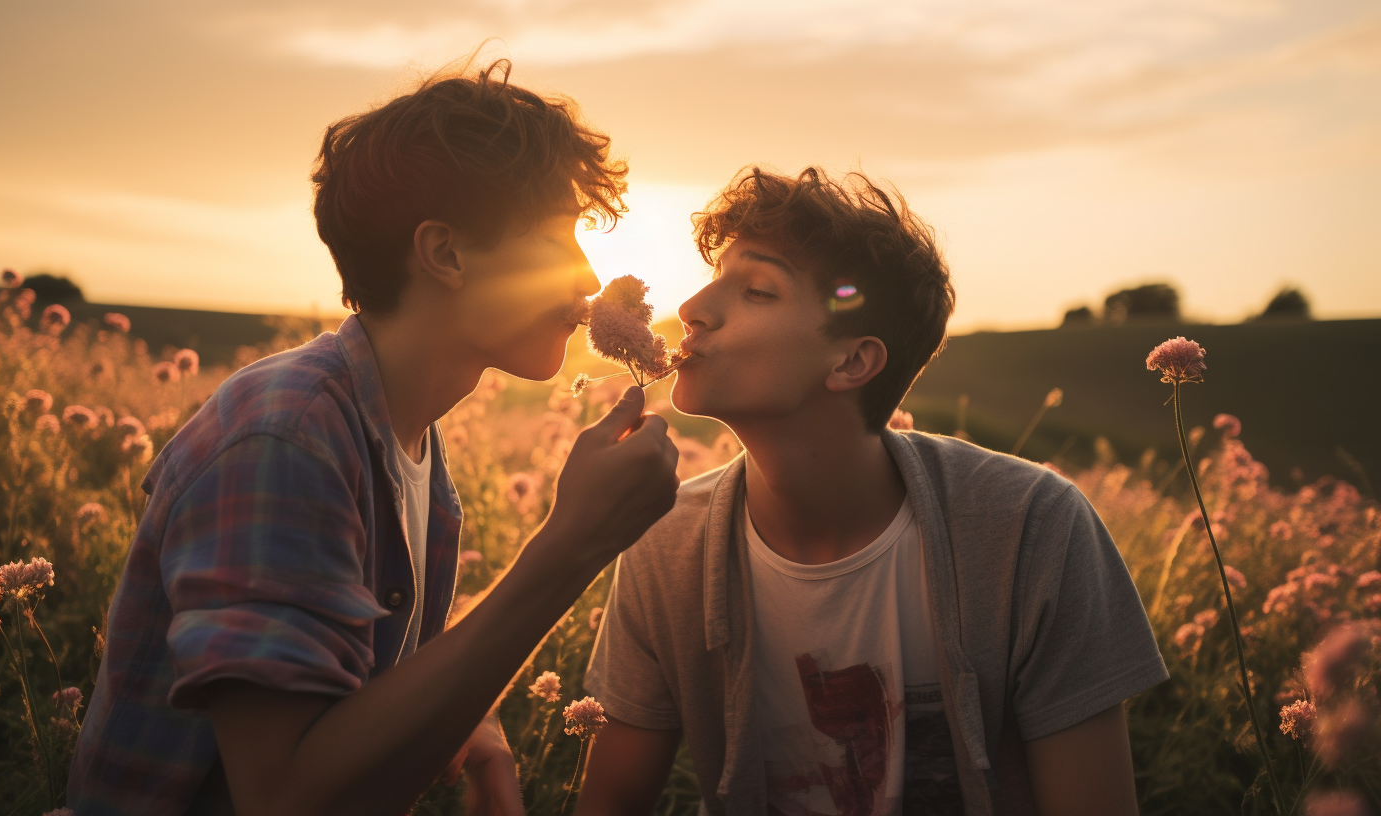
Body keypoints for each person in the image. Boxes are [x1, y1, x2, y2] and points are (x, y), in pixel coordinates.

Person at [67, 60, 681, 816]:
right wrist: (572, 548)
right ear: (445, 253)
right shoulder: (286, 442)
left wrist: (470, 718)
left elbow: (352, 682)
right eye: (560, 240)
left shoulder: (399, 430)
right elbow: (283, 798)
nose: (589, 277)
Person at [575, 167, 1170, 816]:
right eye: (716, 275)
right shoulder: (667, 544)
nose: (691, 308)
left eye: (756, 290)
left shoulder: (1031, 531)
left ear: (853, 361)